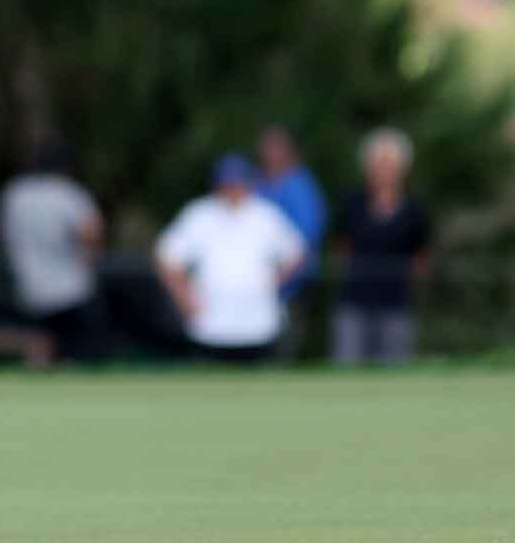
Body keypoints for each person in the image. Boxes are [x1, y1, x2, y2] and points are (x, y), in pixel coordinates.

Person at [156, 155, 305, 363]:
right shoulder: (199, 214)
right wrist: (183, 296)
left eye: (238, 183)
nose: (233, 189)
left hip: (258, 323)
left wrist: (274, 283)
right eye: (228, 183)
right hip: (210, 324)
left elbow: (296, 252)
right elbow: (167, 257)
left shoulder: (265, 215)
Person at [0, 143, 108, 363]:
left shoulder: (14, 194)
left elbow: (0, 236)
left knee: (40, 351)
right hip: (72, 291)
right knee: (80, 353)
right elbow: (92, 236)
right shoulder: (70, 194)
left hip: (27, 288)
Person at [331, 128, 432, 365]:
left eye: (390, 165)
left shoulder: (414, 209)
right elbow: (341, 245)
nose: (384, 171)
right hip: (354, 299)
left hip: (396, 302)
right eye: (378, 165)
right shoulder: (352, 203)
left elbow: (421, 252)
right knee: (348, 364)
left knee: (395, 365)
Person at [256, 126, 327, 303]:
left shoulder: (302, 186)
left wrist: (286, 270)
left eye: (277, 147)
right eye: (268, 147)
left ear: (289, 150)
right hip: (261, 272)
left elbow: (309, 233)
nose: (272, 153)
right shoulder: (256, 184)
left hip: (296, 276)